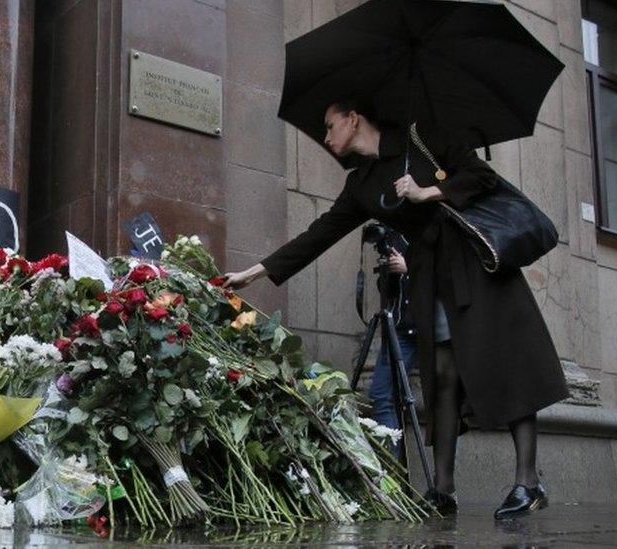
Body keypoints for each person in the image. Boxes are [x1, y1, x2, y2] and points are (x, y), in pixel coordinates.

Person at [224, 98, 569, 519]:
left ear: (354, 119)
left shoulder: (424, 136)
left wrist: (429, 191)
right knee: (442, 377)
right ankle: (442, 490)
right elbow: (319, 235)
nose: (327, 136)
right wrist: (254, 273)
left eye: (331, 125)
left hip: (476, 268)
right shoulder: (361, 184)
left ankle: (528, 482)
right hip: (430, 277)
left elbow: (481, 177)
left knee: (506, 366)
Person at [368, 240, 418, 458]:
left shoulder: (437, 224)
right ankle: (389, 473)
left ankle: (444, 486)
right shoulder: (397, 237)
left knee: (447, 405)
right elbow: (387, 290)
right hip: (400, 327)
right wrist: (392, 271)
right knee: (381, 394)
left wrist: (410, 269)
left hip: (431, 328)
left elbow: (450, 273)